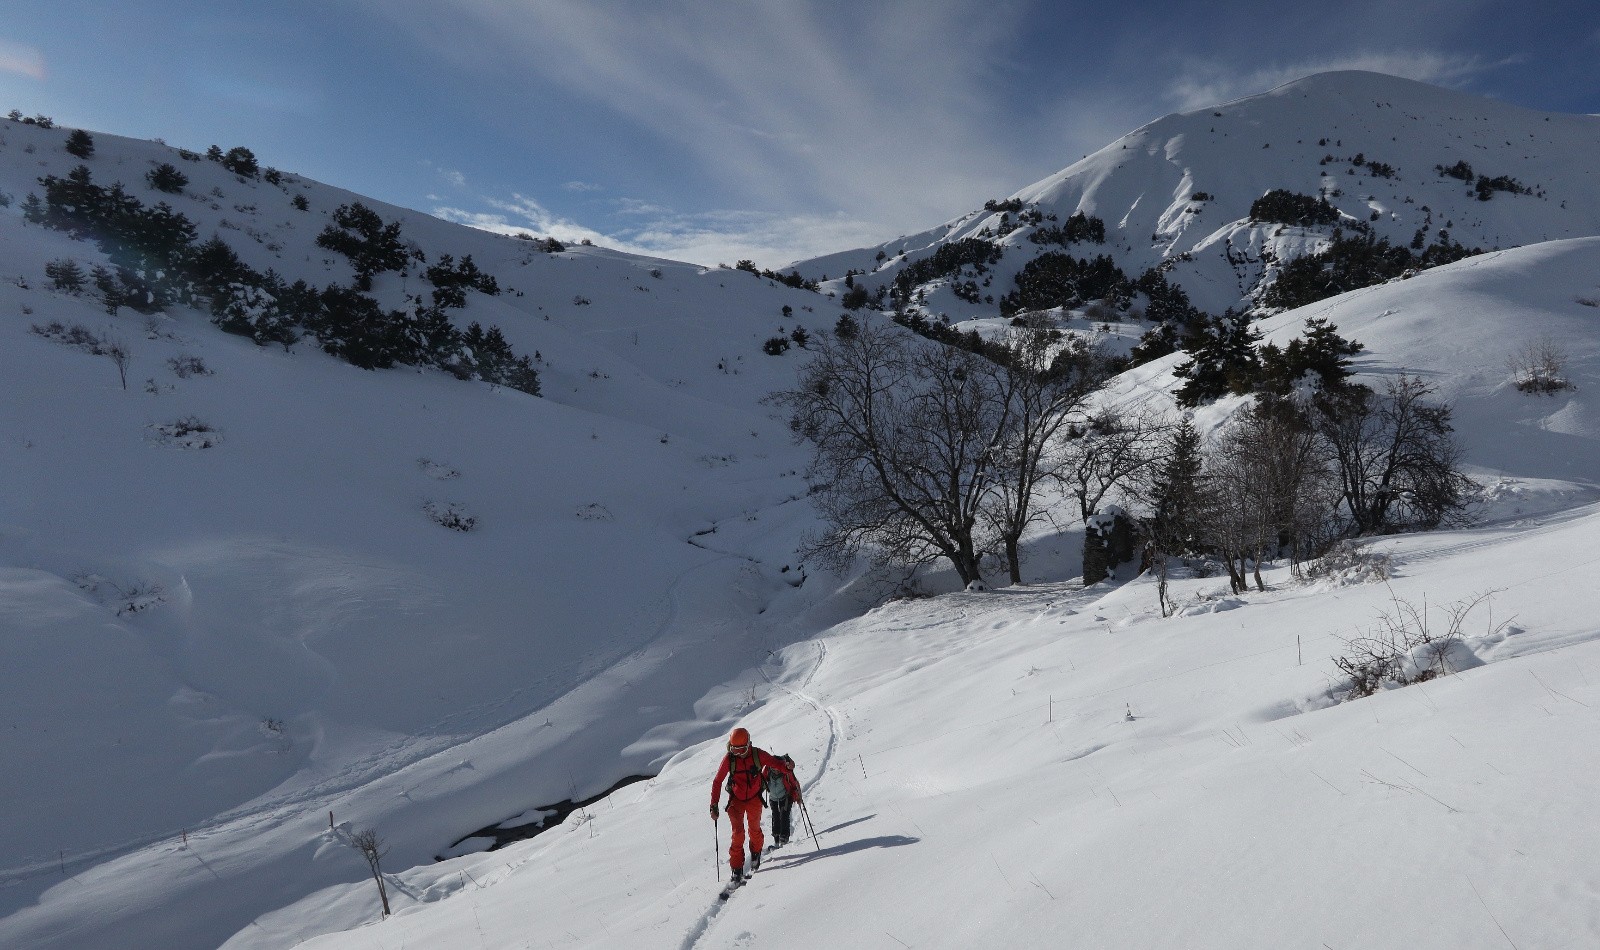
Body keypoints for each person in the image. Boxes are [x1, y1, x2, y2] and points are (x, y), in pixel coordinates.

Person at [710, 727, 798, 879]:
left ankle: (756, 854)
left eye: (741, 750)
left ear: (748, 744)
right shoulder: (729, 759)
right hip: (736, 800)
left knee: (755, 831)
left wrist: (788, 766)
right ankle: (736, 869)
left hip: (754, 799)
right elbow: (717, 781)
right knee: (738, 834)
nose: (737, 753)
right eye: (734, 749)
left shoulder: (758, 755)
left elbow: (776, 764)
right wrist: (714, 805)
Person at [763, 753, 801, 850]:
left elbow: (794, 784)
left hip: (786, 797)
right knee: (775, 817)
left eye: (777, 768)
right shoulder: (768, 770)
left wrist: (797, 797)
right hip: (773, 798)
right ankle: (776, 838)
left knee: (784, 815)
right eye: (774, 768)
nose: (776, 770)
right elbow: (762, 781)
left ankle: (784, 838)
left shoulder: (786, 772)